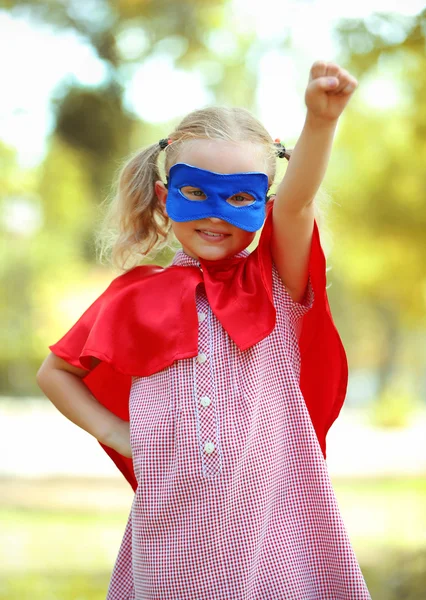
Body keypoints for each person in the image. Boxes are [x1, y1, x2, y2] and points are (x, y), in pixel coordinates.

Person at [36, 60, 371, 599]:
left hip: (275, 523)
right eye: (198, 193)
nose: (217, 214)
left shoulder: (274, 280)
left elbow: (300, 200)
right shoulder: (134, 296)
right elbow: (55, 372)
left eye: (240, 196)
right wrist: (118, 434)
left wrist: (320, 121)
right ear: (168, 195)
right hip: (174, 524)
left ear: (263, 204)